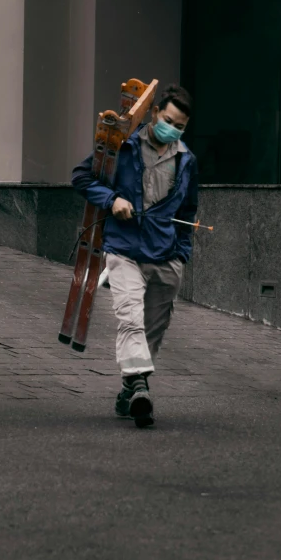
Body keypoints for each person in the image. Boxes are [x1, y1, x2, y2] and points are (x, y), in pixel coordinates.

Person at [71, 84, 198, 428]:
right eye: (169, 120)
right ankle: (140, 386)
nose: (173, 129)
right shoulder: (122, 146)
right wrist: (112, 200)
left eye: (181, 126)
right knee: (130, 319)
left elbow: (188, 210)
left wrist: (182, 253)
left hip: (166, 255)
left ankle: (130, 388)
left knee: (152, 330)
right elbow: (81, 177)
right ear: (155, 113)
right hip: (123, 249)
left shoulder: (186, 160)